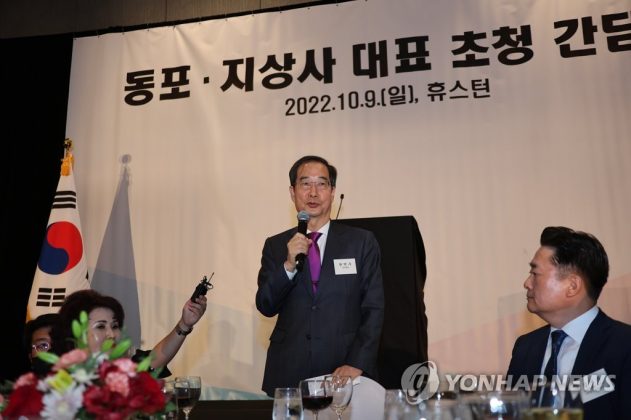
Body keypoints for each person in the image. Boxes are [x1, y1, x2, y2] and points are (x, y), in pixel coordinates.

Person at [256, 155, 384, 397]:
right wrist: (288, 265)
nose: (313, 193)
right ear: (292, 192)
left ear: (332, 192)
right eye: (305, 183)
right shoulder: (276, 245)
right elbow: (265, 305)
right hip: (289, 370)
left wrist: (357, 362)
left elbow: (374, 308)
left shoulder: (361, 242)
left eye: (321, 184)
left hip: (344, 370)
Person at [507, 226, 631, 419]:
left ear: (572, 286)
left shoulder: (623, 346)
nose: (527, 283)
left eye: (535, 273)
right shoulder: (525, 347)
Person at [50, 289, 207, 376]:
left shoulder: (122, 373)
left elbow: (154, 360)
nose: (111, 334)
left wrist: (184, 324)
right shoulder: (59, 381)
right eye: (101, 326)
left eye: (115, 326)